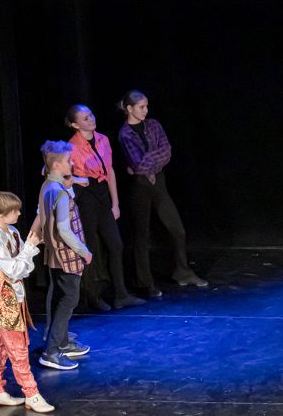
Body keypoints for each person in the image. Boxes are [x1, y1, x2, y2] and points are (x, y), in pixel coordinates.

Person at [116, 90, 207, 297]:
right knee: (142, 236)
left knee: (177, 229)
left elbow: (167, 151)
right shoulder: (125, 134)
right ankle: (145, 282)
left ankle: (182, 271)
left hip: (158, 183)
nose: (146, 111)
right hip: (139, 187)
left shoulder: (154, 125)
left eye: (147, 106)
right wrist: (146, 165)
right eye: (141, 107)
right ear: (129, 108)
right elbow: (138, 164)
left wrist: (149, 165)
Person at [66, 105, 143, 312]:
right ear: (75, 125)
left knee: (116, 245)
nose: (91, 119)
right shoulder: (71, 146)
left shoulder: (103, 139)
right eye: (85, 118)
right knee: (90, 248)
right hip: (85, 196)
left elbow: (109, 171)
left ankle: (121, 294)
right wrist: (78, 180)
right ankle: (92, 296)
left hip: (102, 195)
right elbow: (62, 175)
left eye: (91, 115)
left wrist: (115, 203)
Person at [0, 191, 53, 412]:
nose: (19, 213)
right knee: (18, 349)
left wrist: (27, 253)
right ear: (1, 216)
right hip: (3, 303)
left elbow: (24, 269)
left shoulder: (12, 232)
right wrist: (29, 250)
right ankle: (31, 394)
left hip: (16, 296)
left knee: (1, 347)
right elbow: (14, 270)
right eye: (14, 211)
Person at [31, 141, 92, 373]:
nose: (72, 163)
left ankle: (63, 342)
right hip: (66, 254)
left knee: (60, 296)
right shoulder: (60, 193)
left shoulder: (47, 185)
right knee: (68, 299)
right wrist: (84, 252)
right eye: (68, 160)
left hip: (54, 254)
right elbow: (64, 231)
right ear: (57, 165)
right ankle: (52, 351)